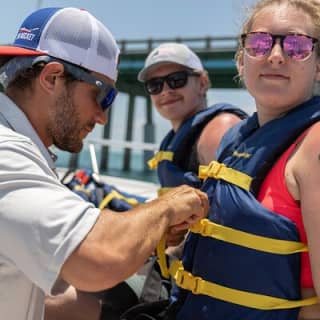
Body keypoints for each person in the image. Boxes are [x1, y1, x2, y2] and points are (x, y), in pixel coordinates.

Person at [0, 7, 209, 320]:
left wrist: (144, 234)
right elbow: (97, 260)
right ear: (52, 77)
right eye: (103, 96)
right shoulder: (7, 154)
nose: (102, 117)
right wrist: (168, 208)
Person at [163, 0, 320, 319]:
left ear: (318, 65)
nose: (276, 55)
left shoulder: (313, 147)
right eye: (260, 43)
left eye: (297, 46)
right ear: (241, 61)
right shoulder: (234, 141)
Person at [138, 42, 247, 248]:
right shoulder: (175, 139)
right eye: (155, 85)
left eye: (176, 80)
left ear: (203, 83)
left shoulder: (218, 130)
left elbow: (236, 215)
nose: (165, 91)